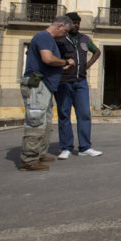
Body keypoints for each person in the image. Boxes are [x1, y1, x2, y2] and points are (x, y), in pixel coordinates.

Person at [19, 16, 75, 171]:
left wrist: (62, 68)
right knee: (36, 121)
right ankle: (29, 159)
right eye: (65, 31)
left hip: (46, 86)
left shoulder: (48, 39)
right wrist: (65, 62)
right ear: (59, 25)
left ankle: (39, 153)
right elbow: (48, 59)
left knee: (46, 121)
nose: (65, 35)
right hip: (38, 86)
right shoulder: (43, 37)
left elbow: (49, 64)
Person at [55, 12, 103, 159]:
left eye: (78, 22)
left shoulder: (84, 39)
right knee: (64, 114)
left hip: (81, 81)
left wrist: (85, 66)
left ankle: (85, 147)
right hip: (64, 81)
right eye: (73, 22)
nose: (76, 25)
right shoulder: (60, 39)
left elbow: (97, 52)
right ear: (66, 24)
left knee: (84, 114)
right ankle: (66, 147)